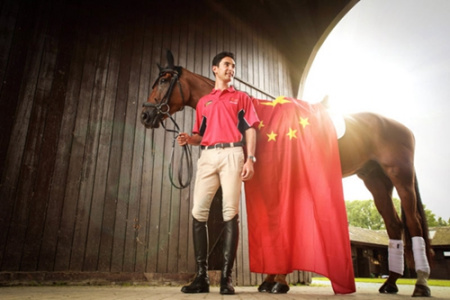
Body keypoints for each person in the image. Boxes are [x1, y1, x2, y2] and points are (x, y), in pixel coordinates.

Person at [177, 51, 259, 295]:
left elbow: (251, 129)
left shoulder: (241, 98)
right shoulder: (204, 102)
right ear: (215, 69)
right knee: (198, 213)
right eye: (226, 65)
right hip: (208, 156)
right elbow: (200, 135)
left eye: (233, 66)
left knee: (229, 213)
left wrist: (250, 159)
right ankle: (201, 277)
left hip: (234, 154)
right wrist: (188, 139)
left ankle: (226, 278)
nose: (230, 69)